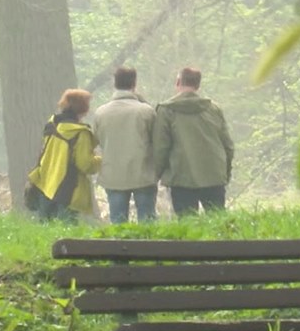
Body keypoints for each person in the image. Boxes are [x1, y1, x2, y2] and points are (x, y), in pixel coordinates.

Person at [153, 67, 234, 216]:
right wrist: (225, 173)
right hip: (214, 174)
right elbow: (228, 146)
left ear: (178, 82)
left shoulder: (166, 111)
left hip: (182, 177)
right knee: (218, 222)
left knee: (187, 224)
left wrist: (156, 175)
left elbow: (160, 148)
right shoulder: (213, 109)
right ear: (198, 85)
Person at [93, 67, 157, 223]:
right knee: (147, 221)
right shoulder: (146, 111)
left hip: (113, 175)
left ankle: (119, 247)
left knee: (118, 222)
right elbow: (156, 141)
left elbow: (97, 141)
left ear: (114, 83)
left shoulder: (101, 113)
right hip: (143, 173)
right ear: (134, 83)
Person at [28, 89, 101, 221]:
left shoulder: (52, 126)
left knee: (45, 231)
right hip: (67, 189)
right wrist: (100, 160)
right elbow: (85, 164)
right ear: (84, 108)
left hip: (44, 184)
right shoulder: (80, 133)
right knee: (66, 232)